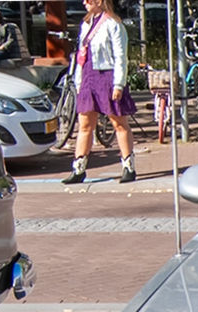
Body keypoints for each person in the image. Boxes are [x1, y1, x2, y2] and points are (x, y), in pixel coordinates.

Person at [62, 0, 137, 185]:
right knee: (85, 122)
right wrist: (79, 82)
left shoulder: (113, 24)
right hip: (88, 76)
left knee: (118, 121)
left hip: (107, 76)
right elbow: (82, 55)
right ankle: (79, 168)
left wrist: (119, 83)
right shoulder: (86, 24)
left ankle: (128, 166)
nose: (84, 2)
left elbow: (121, 56)